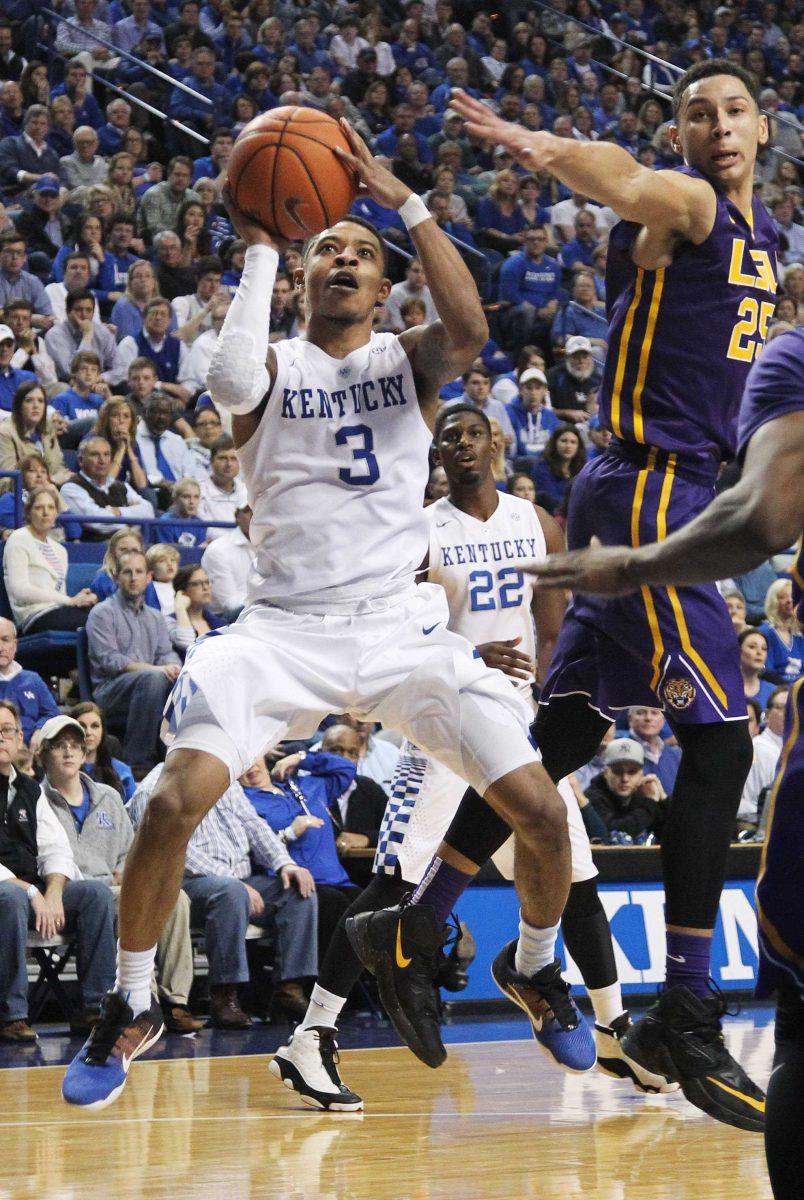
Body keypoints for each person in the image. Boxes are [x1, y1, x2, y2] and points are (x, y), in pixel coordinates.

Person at [62, 125, 572, 1111]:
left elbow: (468, 331)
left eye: (360, 252)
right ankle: (131, 1004)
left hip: (394, 631)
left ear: (383, 288)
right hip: (282, 631)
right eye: (324, 248)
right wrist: (261, 241)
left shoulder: (408, 361)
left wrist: (408, 202)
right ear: (301, 276)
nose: (342, 258)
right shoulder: (262, 363)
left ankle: (538, 967)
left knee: (543, 811)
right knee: (171, 802)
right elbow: (230, 384)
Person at [444, 62, 778, 1132]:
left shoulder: (757, 249)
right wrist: (547, 151)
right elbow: (626, 178)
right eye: (696, 111)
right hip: (649, 492)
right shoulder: (689, 203)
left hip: (654, 487)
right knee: (722, 745)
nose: (717, 126)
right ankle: (682, 1010)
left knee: (568, 728)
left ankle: (407, 927)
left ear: (766, 126)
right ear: (679, 132)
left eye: (734, 109)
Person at [273, 400, 676, 1108]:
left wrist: (557, 722)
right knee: (395, 888)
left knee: (573, 877)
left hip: (518, 730)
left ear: (496, 442)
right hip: (441, 723)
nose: (458, 444)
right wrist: (462, 650)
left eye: (470, 433)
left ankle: (616, 1029)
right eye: (445, 438)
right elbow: (395, 634)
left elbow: (555, 638)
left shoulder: (533, 520)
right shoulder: (422, 532)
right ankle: (311, 1037)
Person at [39, 714, 202, 1036]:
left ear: (86, 754)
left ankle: (175, 1000)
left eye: (75, 746)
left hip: (116, 885)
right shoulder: (38, 800)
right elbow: (44, 859)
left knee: (177, 898)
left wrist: (129, 869)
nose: (69, 753)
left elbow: (131, 850)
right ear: (44, 754)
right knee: (128, 900)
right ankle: (145, 999)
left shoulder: (109, 796)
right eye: (60, 747)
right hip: (81, 892)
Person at [128, 763, 317, 1028]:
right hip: (181, 886)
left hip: (238, 879)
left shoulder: (225, 781)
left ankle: (290, 989)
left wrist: (284, 863)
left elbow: (255, 827)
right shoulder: (154, 790)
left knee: (300, 889)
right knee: (229, 892)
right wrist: (230, 881)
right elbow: (174, 850)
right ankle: (223, 996)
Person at [0, 699, 115, 1043]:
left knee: (96, 893)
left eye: (6, 730)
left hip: (34, 893)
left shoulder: (29, 789)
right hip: (9, 894)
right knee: (10, 897)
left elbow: (56, 848)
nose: (1, 738)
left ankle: (95, 1006)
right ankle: (12, 1014)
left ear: (20, 737)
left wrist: (52, 891)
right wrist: (32, 892)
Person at [241, 750, 359, 962]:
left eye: (252, 759)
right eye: (240, 766)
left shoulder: (306, 785)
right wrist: (289, 833)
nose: (250, 768)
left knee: (373, 912)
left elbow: (347, 768)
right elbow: (251, 850)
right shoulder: (243, 802)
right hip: (299, 884)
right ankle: (332, 988)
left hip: (338, 881)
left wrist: (301, 758)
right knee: (336, 907)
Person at [85, 549, 181, 774]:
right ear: (117, 577)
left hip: (149, 686)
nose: (134, 577)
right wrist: (158, 669)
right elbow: (110, 661)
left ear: (149, 578)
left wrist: (177, 668)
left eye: (139, 572)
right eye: (127, 572)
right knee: (154, 678)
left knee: (181, 680)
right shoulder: (102, 613)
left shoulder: (155, 617)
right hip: (110, 691)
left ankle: (175, 759)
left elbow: (165, 653)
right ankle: (137, 762)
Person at [3, 488, 97, 634]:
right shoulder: (19, 538)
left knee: (103, 614)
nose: (45, 512)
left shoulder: (60, 550)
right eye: (39, 508)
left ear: (56, 514)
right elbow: (19, 590)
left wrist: (81, 600)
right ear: (28, 513)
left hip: (58, 610)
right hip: (33, 615)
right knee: (97, 621)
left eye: (51, 507)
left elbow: (59, 592)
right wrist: (70, 601)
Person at [61, 435, 154, 539]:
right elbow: (97, 522)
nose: (102, 461)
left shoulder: (121, 486)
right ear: (81, 461)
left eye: (106, 454)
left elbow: (148, 511)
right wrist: (132, 521)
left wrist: (119, 512)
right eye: (95, 455)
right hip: (94, 549)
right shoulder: (71, 488)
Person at [583, 737, 666, 844]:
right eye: (618, 771)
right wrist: (650, 803)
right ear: (605, 772)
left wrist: (663, 799)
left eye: (632, 772)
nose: (625, 779)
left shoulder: (643, 791)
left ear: (641, 773)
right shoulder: (592, 796)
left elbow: (674, 830)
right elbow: (616, 832)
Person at [0, 616, 59, 747]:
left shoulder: (33, 680)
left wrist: (39, 730)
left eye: (5, 640)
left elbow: (52, 713)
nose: (0, 647)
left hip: (32, 754)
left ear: (15, 645)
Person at [738, 685, 788, 832]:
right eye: (782, 707)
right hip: (756, 825)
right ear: (767, 715)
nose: (789, 713)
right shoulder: (760, 749)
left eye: (792, 707)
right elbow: (759, 804)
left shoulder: (793, 749)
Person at [0, 381, 70, 484]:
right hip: (22, 497)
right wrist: (51, 480)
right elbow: (7, 481)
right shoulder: (5, 433)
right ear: (19, 405)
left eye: (41, 401)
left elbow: (59, 466)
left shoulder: (48, 428)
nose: (36, 406)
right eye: (29, 401)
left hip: (52, 492)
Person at [70, 701, 135, 803]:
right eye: (82, 726)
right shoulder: (63, 769)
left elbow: (133, 814)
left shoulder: (122, 771)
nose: (88, 732)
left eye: (95, 726)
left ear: (103, 731)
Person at [200, 503, 255, 614]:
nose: (255, 516)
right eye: (248, 511)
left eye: (258, 510)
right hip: (228, 618)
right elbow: (229, 605)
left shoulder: (272, 545)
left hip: (259, 611)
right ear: (237, 517)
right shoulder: (218, 550)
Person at [168, 563, 226, 652]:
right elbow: (187, 644)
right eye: (196, 584)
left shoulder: (221, 623)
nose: (205, 587)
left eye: (207, 582)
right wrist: (180, 608)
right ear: (182, 591)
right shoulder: (169, 621)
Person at [198, 435, 247, 539]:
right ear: (211, 461)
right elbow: (205, 529)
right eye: (222, 458)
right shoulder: (199, 491)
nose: (228, 464)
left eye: (233, 459)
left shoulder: (247, 490)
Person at [531, 425, 586, 515]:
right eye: (564, 441)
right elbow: (549, 498)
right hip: (550, 515)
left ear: (578, 447)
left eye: (573, 442)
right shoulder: (542, 467)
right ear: (554, 443)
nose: (568, 446)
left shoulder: (583, 469)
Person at [506, 367, 560, 460]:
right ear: (520, 390)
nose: (533, 393)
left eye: (538, 388)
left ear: (544, 391)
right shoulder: (509, 412)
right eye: (529, 388)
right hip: (519, 464)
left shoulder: (551, 417)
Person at [626, 706, 681, 795]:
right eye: (641, 712)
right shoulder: (619, 753)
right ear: (630, 718)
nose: (648, 718)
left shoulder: (677, 755)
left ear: (663, 720)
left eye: (654, 713)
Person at [758, 579, 804, 685]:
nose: (789, 600)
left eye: (792, 596)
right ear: (773, 602)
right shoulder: (765, 633)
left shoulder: (799, 635)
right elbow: (767, 673)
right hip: (776, 691)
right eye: (782, 597)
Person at [157, 477, 208, 547]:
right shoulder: (165, 522)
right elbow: (166, 554)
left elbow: (199, 552)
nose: (192, 502)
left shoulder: (200, 524)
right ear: (175, 499)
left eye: (196, 497)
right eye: (186, 497)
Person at [738, 627, 775, 710]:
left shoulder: (773, 691)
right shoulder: (725, 689)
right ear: (739, 651)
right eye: (752, 647)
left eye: (764, 648)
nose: (759, 652)